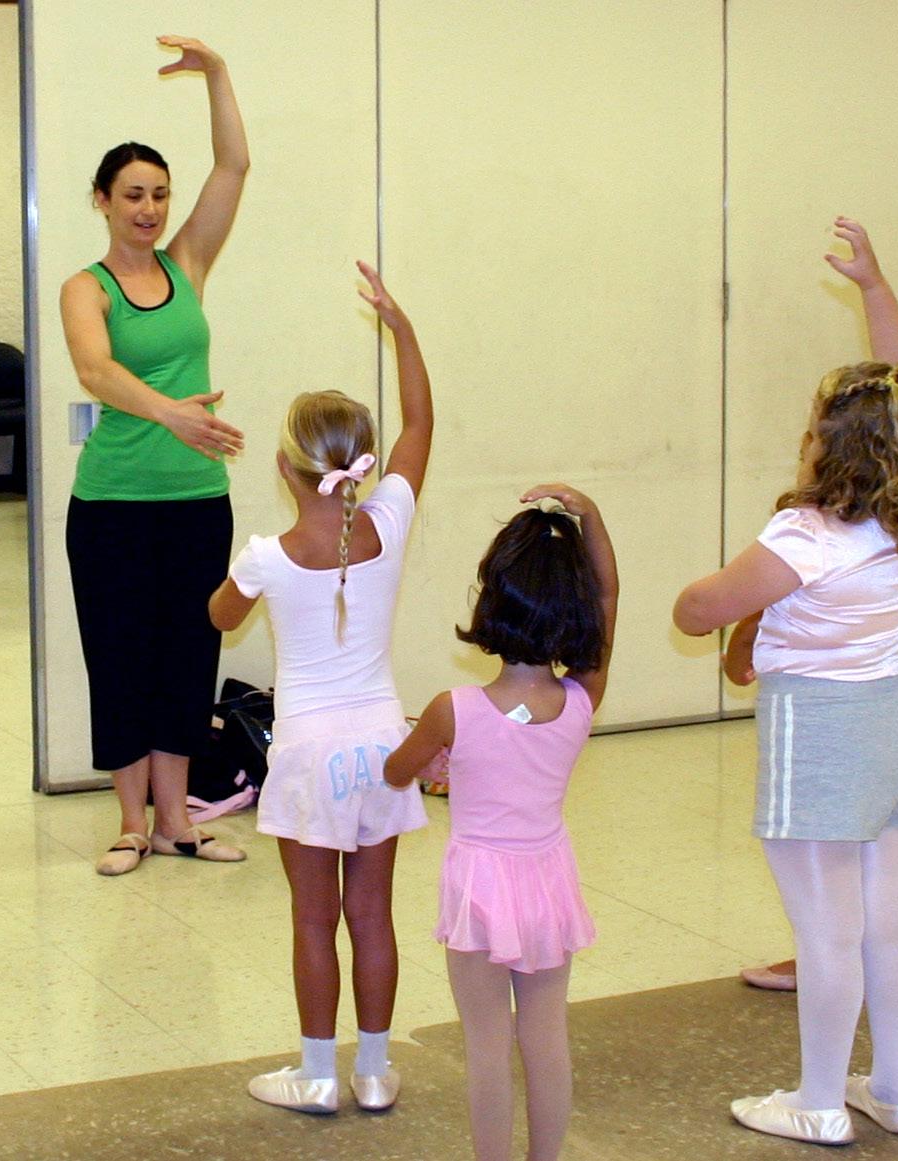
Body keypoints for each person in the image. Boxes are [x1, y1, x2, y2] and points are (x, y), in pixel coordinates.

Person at [673, 218, 898, 1146]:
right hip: (896, 720)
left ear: (831, 452)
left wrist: (712, 589)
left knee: (827, 930)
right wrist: (874, 287)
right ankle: (895, 1091)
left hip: (820, 731)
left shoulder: (807, 535)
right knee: (888, 921)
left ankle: (819, 1100)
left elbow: (698, 609)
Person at [211, 263, 433, 1114]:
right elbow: (421, 423)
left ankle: (314, 1072)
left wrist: (235, 579)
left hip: (307, 751)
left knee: (313, 917)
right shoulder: (388, 521)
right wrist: (400, 328)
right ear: (360, 466)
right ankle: (373, 1069)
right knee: (371, 913)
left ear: (284, 465)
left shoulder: (266, 556)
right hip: (382, 744)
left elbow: (220, 616)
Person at [60, 35, 252, 876]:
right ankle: (130, 822)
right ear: (102, 201)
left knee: (186, 657)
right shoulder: (86, 287)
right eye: (133, 195)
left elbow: (234, 166)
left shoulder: (188, 264)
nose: (148, 209)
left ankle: (178, 821)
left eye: (159, 195)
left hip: (195, 503)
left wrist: (218, 76)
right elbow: (95, 370)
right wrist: (172, 412)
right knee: (120, 658)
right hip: (111, 506)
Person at [385, 486, 616, 1161]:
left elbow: (397, 771)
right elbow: (609, 596)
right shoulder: (581, 698)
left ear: (491, 598)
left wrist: (435, 758)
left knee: (486, 1043)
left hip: (480, 885)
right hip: (549, 878)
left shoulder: (451, 709)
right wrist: (591, 517)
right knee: (546, 1037)